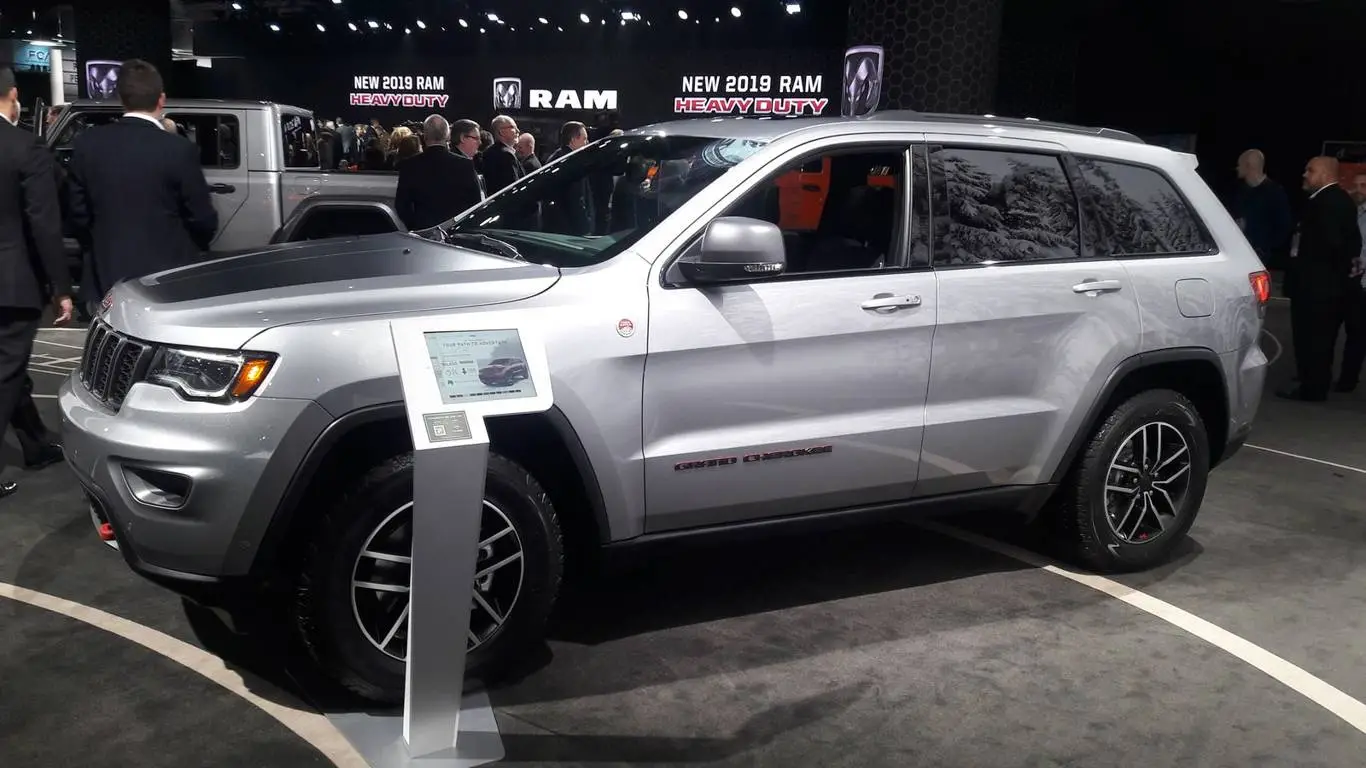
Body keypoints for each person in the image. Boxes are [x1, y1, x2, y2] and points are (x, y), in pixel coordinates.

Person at [66, 59, 218, 299]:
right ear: (161, 99)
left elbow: (77, 215)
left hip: (104, 275)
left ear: (121, 99)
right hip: (167, 278)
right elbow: (203, 219)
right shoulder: (179, 149)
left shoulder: (88, 144)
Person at [0, 67, 74, 497]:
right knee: (7, 372)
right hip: (10, 284)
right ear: (13, 95)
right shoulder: (24, 146)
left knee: (9, 371)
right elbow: (44, 224)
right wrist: (61, 288)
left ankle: (34, 442)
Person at [1279, 157, 1364, 401]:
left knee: (1313, 340)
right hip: (1321, 287)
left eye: (1311, 170)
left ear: (1326, 174)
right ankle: (1313, 383)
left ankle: (1312, 388)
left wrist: (1322, 278)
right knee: (1316, 340)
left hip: (1317, 289)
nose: (1305, 174)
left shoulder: (1329, 203)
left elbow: (1333, 246)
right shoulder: (1331, 201)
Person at [394, 115, 482, 231]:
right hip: (456, 231)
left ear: (424, 136)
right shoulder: (465, 165)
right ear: (448, 136)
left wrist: (415, 227)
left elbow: (401, 205)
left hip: (423, 232)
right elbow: (475, 203)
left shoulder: (409, 165)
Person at [1232, 149, 1292, 268]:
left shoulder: (1275, 193)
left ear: (1248, 166)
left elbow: (1283, 226)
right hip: (1240, 252)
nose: (1237, 168)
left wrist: (1264, 247)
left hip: (1261, 257)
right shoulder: (1240, 191)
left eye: (1239, 165)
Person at [1335, 172, 1366, 391]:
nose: (1358, 190)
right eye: (1356, 185)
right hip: (1347, 281)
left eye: (1363, 186)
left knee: (1358, 334)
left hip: (1363, 284)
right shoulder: (1353, 213)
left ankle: (1348, 380)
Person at [543, 121, 592, 235]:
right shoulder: (573, 162)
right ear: (573, 139)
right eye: (584, 139)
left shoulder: (555, 157)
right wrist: (584, 228)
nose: (587, 143)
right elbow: (576, 199)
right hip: (568, 228)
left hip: (554, 224)